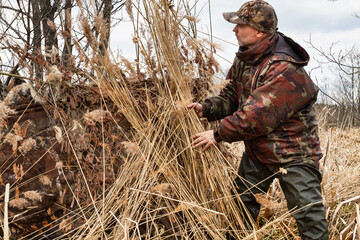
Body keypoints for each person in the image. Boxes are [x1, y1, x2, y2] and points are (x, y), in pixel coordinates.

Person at [187, 1, 329, 239]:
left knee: (308, 216)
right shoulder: (245, 58)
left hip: (294, 154)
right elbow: (232, 96)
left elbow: (256, 116)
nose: (234, 30)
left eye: (240, 25)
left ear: (259, 32)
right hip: (258, 151)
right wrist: (207, 108)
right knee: (239, 210)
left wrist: (217, 134)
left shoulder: (285, 68)